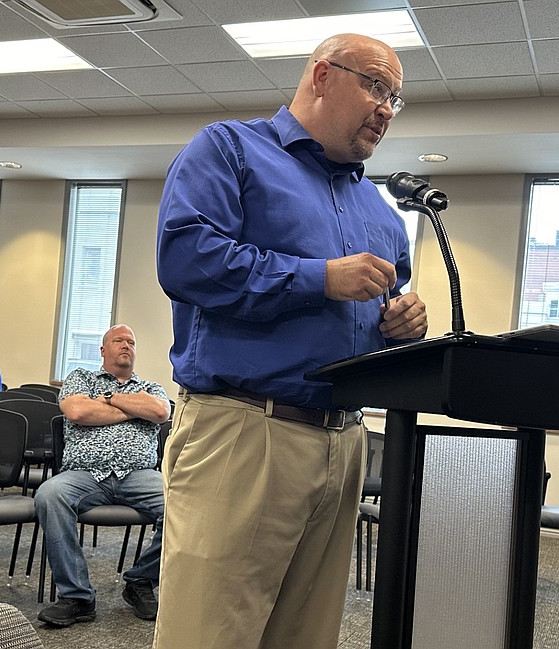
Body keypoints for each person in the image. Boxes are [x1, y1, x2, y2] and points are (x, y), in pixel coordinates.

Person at [153, 34, 429, 649]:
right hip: (245, 433)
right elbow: (186, 260)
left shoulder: (381, 214)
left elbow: (374, 321)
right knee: (210, 635)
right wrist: (320, 278)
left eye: (397, 99)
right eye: (377, 87)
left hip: (345, 441)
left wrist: (403, 326)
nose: (387, 109)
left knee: (306, 637)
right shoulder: (229, 151)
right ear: (323, 77)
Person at [35, 324, 169, 627]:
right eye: (118, 340)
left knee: (184, 505)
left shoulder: (150, 386)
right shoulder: (81, 378)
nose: (126, 345)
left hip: (139, 474)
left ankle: (141, 581)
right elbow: (78, 413)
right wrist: (133, 408)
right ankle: (77, 597)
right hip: (84, 474)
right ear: (103, 350)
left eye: (131, 342)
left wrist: (107, 400)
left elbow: (160, 412)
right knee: (49, 494)